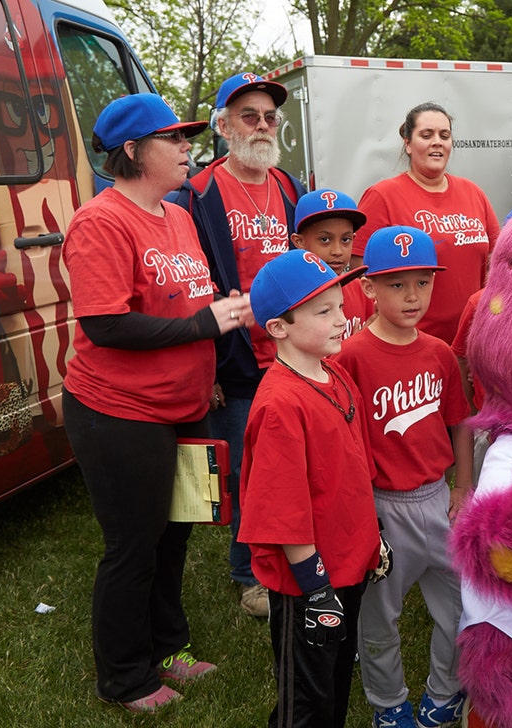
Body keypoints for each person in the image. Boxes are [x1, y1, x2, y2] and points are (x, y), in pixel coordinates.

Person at [62, 93, 252, 713]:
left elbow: (186, 301)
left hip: (183, 405)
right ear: (133, 151)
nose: (186, 147)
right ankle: (124, 677)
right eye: (173, 138)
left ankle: (169, 649)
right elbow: (106, 326)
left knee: (174, 536)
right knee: (134, 545)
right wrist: (205, 325)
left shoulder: (176, 215)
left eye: (185, 136)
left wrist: (216, 343)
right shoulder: (101, 221)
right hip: (118, 413)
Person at [171, 72, 306, 619]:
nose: (263, 124)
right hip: (235, 361)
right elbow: (186, 286)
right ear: (224, 126)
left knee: (288, 463)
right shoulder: (196, 193)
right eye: (249, 115)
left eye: (270, 116)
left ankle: (288, 555)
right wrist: (208, 371)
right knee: (242, 472)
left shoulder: (289, 186)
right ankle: (248, 573)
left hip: (292, 354)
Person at [238, 250, 386, 728]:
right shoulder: (281, 405)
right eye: (323, 312)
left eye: (340, 307)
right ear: (279, 327)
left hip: (349, 564)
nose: (342, 320)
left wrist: (370, 538)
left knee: (336, 683)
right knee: (305, 699)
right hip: (311, 582)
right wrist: (316, 588)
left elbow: (353, 472)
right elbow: (283, 510)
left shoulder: (334, 373)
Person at [334, 226, 473, 728]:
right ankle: (389, 703)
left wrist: (462, 484)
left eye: (422, 281)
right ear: (368, 287)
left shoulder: (438, 353)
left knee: (462, 607)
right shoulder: (349, 357)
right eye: (396, 284)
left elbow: (458, 421)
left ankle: (445, 690)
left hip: (438, 497)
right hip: (382, 505)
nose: (412, 296)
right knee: (378, 619)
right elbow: (346, 444)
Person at [354, 102, 499, 344]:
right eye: (426, 135)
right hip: (413, 344)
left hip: (474, 340)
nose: (437, 142)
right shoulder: (382, 196)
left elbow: (497, 261)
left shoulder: (473, 192)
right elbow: (361, 273)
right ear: (408, 144)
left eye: (445, 135)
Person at [290, 189, 373, 339]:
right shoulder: (290, 296)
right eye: (324, 240)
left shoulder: (361, 291)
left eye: (346, 240)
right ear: (299, 242)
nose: (337, 251)